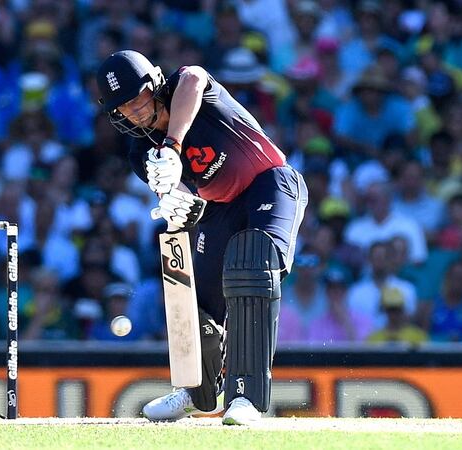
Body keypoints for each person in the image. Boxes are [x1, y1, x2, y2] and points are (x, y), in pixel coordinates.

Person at [96, 50, 308, 425]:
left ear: (154, 84)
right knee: (198, 299)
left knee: (252, 266)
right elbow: (178, 192)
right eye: (123, 107)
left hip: (270, 183)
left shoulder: (186, 87)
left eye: (136, 98)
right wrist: (176, 201)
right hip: (220, 207)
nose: (133, 111)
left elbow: (194, 76)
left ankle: (246, 397)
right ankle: (198, 393)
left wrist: (173, 145)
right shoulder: (140, 151)